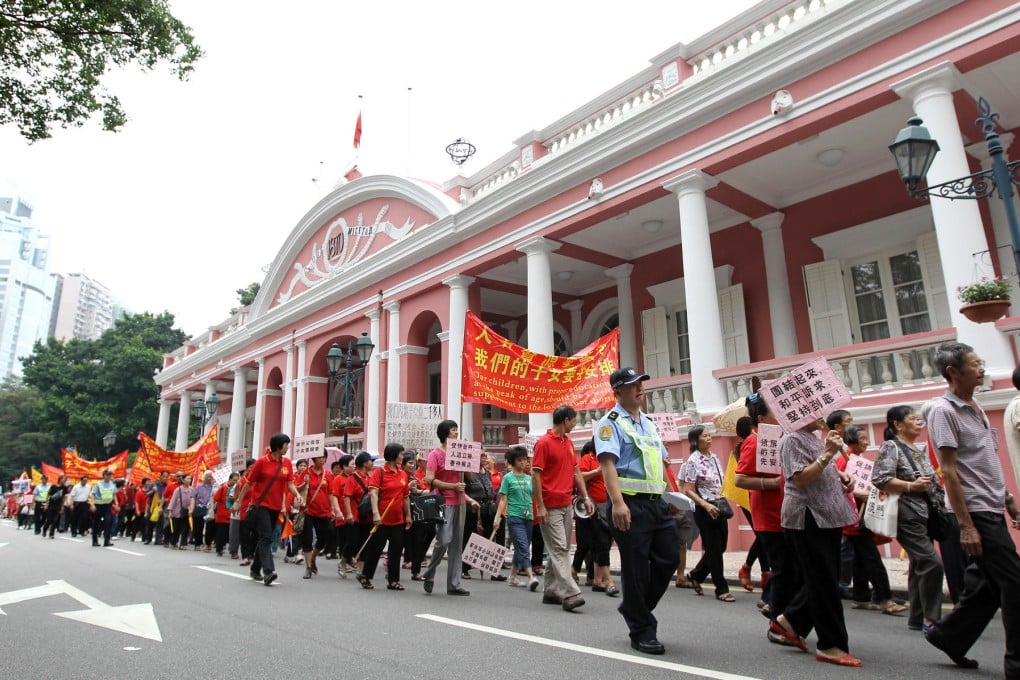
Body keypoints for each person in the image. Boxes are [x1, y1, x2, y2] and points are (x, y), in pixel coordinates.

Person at [925, 342, 1020, 675]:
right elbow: (949, 471)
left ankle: (948, 636)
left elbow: (984, 462)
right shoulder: (943, 411)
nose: (982, 369)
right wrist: (966, 525)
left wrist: (1007, 499)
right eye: (975, 364)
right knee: (1014, 583)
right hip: (975, 511)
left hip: (991, 505)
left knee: (986, 585)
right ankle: (1016, 663)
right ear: (954, 372)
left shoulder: (975, 406)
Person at [594, 367, 679, 656]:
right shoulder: (610, 423)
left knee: (669, 558)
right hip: (629, 503)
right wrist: (617, 503)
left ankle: (634, 607)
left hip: (657, 503)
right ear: (617, 391)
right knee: (636, 569)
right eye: (632, 385)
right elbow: (607, 465)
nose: (639, 388)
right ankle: (642, 630)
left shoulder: (650, 424)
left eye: (641, 383)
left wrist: (671, 497)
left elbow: (661, 465)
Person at [775, 416, 861, 668]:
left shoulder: (811, 438)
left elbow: (822, 469)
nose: (823, 417)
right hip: (808, 516)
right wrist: (827, 455)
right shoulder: (791, 439)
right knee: (823, 581)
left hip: (827, 516)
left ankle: (790, 622)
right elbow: (800, 478)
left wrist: (840, 474)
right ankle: (830, 645)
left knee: (824, 578)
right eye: (816, 412)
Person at [871, 405, 945, 631]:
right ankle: (932, 619)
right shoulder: (891, 446)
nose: (918, 422)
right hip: (907, 512)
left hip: (925, 513)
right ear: (898, 424)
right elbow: (880, 478)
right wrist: (910, 486)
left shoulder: (916, 449)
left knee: (919, 562)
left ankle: (917, 616)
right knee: (931, 562)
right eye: (913, 418)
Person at [836, 425, 905, 615]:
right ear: (853, 441)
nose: (867, 442)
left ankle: (861, 597)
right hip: (853, 519)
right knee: (872, 559)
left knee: (860, 559)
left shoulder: (859, 461)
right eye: (863, 438)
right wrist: (861, 494)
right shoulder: (844, 461)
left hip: (860, 517)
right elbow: (838, 485)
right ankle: (885, 599)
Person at [533, 405, 592, 612]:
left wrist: (585, 496)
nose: (575, 424)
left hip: (566, 503)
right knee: (560, 548)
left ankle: (550, 590)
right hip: (549, 506)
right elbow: (536, 476)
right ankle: (571, 592)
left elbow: (575, 471)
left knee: (559, 548)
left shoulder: (568, 442)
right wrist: (540, 506)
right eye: (573, 420)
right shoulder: (543, 443)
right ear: (565, 420)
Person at [232, 433, 303, 586]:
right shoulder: (262, 462)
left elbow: (290, 483)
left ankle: (255, 569)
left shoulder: (287, 463)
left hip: (276, 506)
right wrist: (238, 501)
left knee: (265, 537)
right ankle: (268, 571)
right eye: (286, 445)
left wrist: (297, 495)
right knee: (266, 537)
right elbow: (249, 483)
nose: (288, 447)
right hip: (261, 505)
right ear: (278, 445)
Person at [422, 419, 479, 596]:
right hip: (444, 502)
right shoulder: (435, 455)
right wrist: (451, 486)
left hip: (460, 501)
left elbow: (468, 478)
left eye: (456, 430)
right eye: (453, 430)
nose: (456, 433)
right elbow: (429, 479)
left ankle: (454, 583)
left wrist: (469, 456)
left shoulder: (459, 451)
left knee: (457, 544)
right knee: (444, 540)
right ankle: (430, 571)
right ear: (445, 433)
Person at [682, 425, 733, 602]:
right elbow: (688, 489)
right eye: (705, 436)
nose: (709, 438)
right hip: (705, 509)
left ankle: (696, 575)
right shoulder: (692, 461)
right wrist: (705, 505)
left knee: (721, 546)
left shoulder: (715, 458)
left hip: (719, 506)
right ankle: (721, 588)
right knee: (713, 549)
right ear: (696, 440)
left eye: (710, 435)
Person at [357, 443, 411, 590]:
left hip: (398, 519)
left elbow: (405, 497)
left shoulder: (403, 474)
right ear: (393, 455)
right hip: (382, 518)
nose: (402, 456)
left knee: (396, 550)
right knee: (376, 549)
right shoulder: (379, 473)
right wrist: (375, 513)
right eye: (400, 454)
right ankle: (365, 576)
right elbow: (373, 493)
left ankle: (393, 581)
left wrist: (408, 516)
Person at [494, 445, 539, 590]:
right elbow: (503, 499)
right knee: (524, 546)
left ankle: (512, 577)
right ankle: (531, 577)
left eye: (525, 459)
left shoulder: (529, 478)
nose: (523, 462)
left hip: (529, 516)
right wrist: (497, 517)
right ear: (513, 462)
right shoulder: (508, 478)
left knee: (521, 547)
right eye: (520, 460)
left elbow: (535, 496)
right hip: (514, 516)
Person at [577, 439, 618, 596]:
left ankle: (597, 580)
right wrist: (596, 472)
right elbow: (579, 476)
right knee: (601, 542)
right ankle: (608, 581)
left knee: (606, 542)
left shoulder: (612, 458)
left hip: (610, 505)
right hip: (594, 506)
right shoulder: (589, 458)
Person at [295, 451, 333, 580]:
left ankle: (313, 557)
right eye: (320, 457)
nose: (322, 460)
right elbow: (296, 489)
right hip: (307, 510)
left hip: (324, 511)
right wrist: (304, 483)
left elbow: (330, 493)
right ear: (314, 458)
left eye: (324, 457)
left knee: (324, 536)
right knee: (307, 538)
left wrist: (334, 509)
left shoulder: (327, 474)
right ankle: (308, 567)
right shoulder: (305, 473)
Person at [342, 451, 375, 573]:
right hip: (355, 516)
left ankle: (361, 570)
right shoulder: (352, 478)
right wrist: (349, 513)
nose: (372, 463)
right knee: (353, 542)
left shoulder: (370, 478)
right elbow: (347, 496)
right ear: (364, 463)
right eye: (370, 461)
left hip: (367, 516)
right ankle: (344, 561)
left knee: (365, 543)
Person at [330, 454, 354, 576]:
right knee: (344, 539)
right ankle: (344, 562)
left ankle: (348, 559)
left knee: (352, 539)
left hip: (353, 513)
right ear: (344, 467)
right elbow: (335, 496)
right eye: (352, 464)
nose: (354, 466)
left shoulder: (354, 478)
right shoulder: (338, 479)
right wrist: (337, 511)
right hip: (342, 515)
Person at [89, 469, 119, 547]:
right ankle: (95, 541)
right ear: (104, 476)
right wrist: (92, 505)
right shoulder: (98, 484)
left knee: (108, 522)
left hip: (108, 506)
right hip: (98, 505)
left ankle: (107, 541)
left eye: (110, 475)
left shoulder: (112, 484)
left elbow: (114, 494)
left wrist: (116, 504)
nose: (109, 476)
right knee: (96, 523)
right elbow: (93, 495)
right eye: (108, 475)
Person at [210, 472, 238, 556]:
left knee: (229, 534)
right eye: (234, 480)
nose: (235, 482)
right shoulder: (223, 488)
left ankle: (231, 549)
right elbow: (215, 499)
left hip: (233, 515)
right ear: (229, 479)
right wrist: (211, 510)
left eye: (237, 480)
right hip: (222, 514)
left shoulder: (237, 489)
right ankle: (219, 549)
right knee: (221, 533)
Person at [168, 474, 194, 550]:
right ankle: (173, 542)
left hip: (187, 512)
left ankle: (183, 544)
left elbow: (192, 500)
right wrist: (170, 511)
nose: (189, 480)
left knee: (186, 529)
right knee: (176, 529)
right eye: (187, 478)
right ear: (183, 480)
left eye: (190, 479)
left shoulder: (192, 489)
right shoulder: (178, 490)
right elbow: (173, 501)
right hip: (177, 512)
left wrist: (191, 509)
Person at [191, 470, 215, 551]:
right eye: (208, 476)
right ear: (204, 477)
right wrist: (192, 508)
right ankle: (198, 543)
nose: (209, 478)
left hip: (210, 508)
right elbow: (193, 497)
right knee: (198, 527)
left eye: (211, 476)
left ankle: (208, 543)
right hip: (200, 508)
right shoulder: (199, 486)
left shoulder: (214, 486)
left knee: (210, 527)